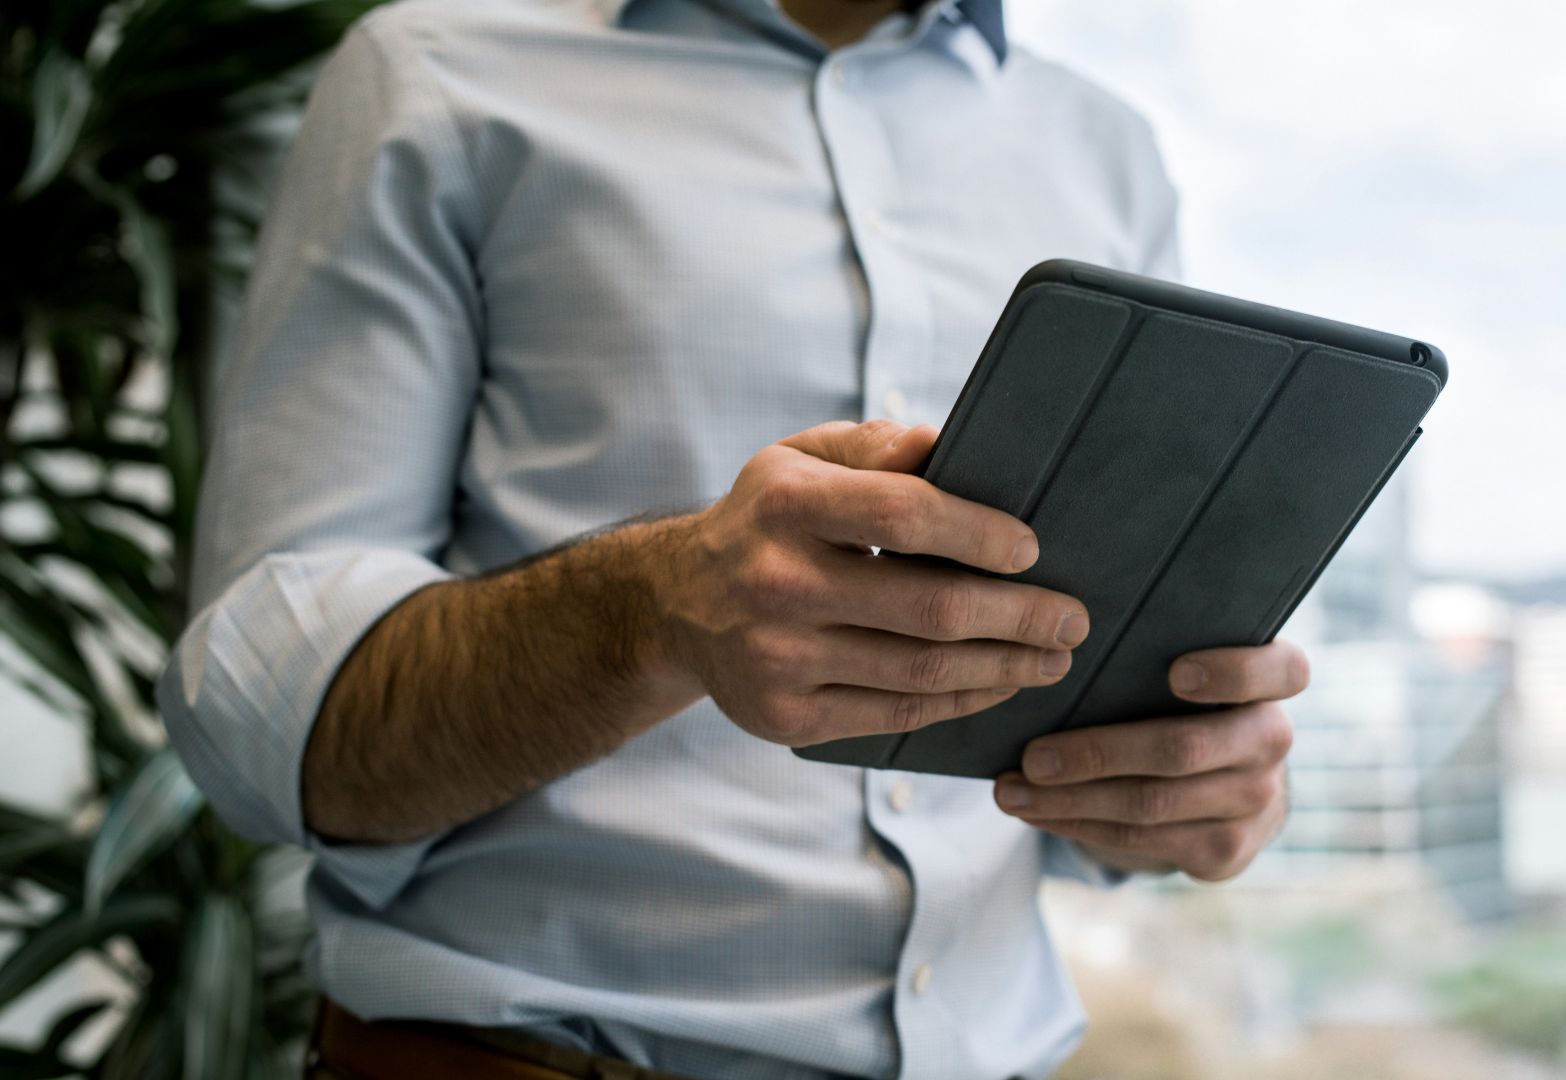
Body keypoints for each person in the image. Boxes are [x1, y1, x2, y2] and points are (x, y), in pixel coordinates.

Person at [160, 1, 1307, 1077]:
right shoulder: (437, 75)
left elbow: (1086, 738)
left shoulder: (1106, 149)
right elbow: (275, 734)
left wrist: (1187, 787)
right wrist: (653, 609)